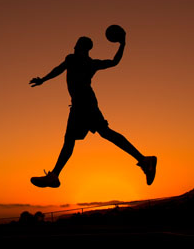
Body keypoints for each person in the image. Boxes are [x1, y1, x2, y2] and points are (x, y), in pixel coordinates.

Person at [29, 34, 157, 188]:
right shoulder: (78, 61)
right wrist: (43, 79)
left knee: (79, 138)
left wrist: (122, 44)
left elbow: (114, 62)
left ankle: (54, 176)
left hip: (86, 104)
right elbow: (59, 69)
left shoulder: (86, 62)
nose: (74, 48)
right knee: (94, 135)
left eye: (77, 45)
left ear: (84, 48)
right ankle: (144, 160)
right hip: (79, 104)